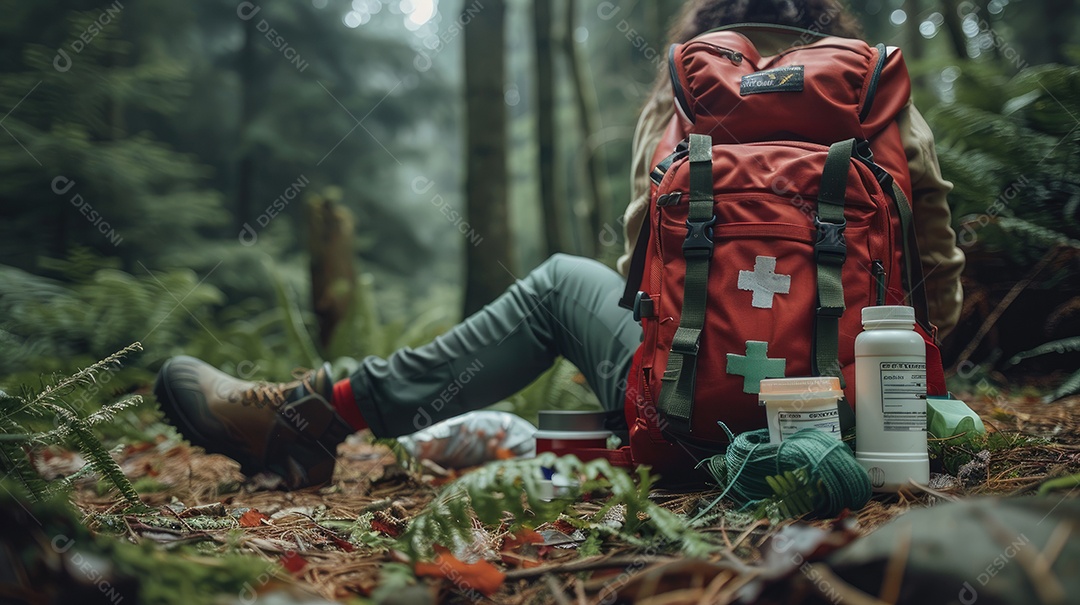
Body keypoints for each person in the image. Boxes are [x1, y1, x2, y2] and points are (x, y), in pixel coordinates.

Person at [154, 0, 965, 489]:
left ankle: (314, 416)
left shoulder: (691, 88)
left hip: (684, 421)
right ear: (825, 23)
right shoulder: (873, 91)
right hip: (869, 427)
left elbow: (638, 273)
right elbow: (939, 275)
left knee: (556, 285)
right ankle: (312, 416)